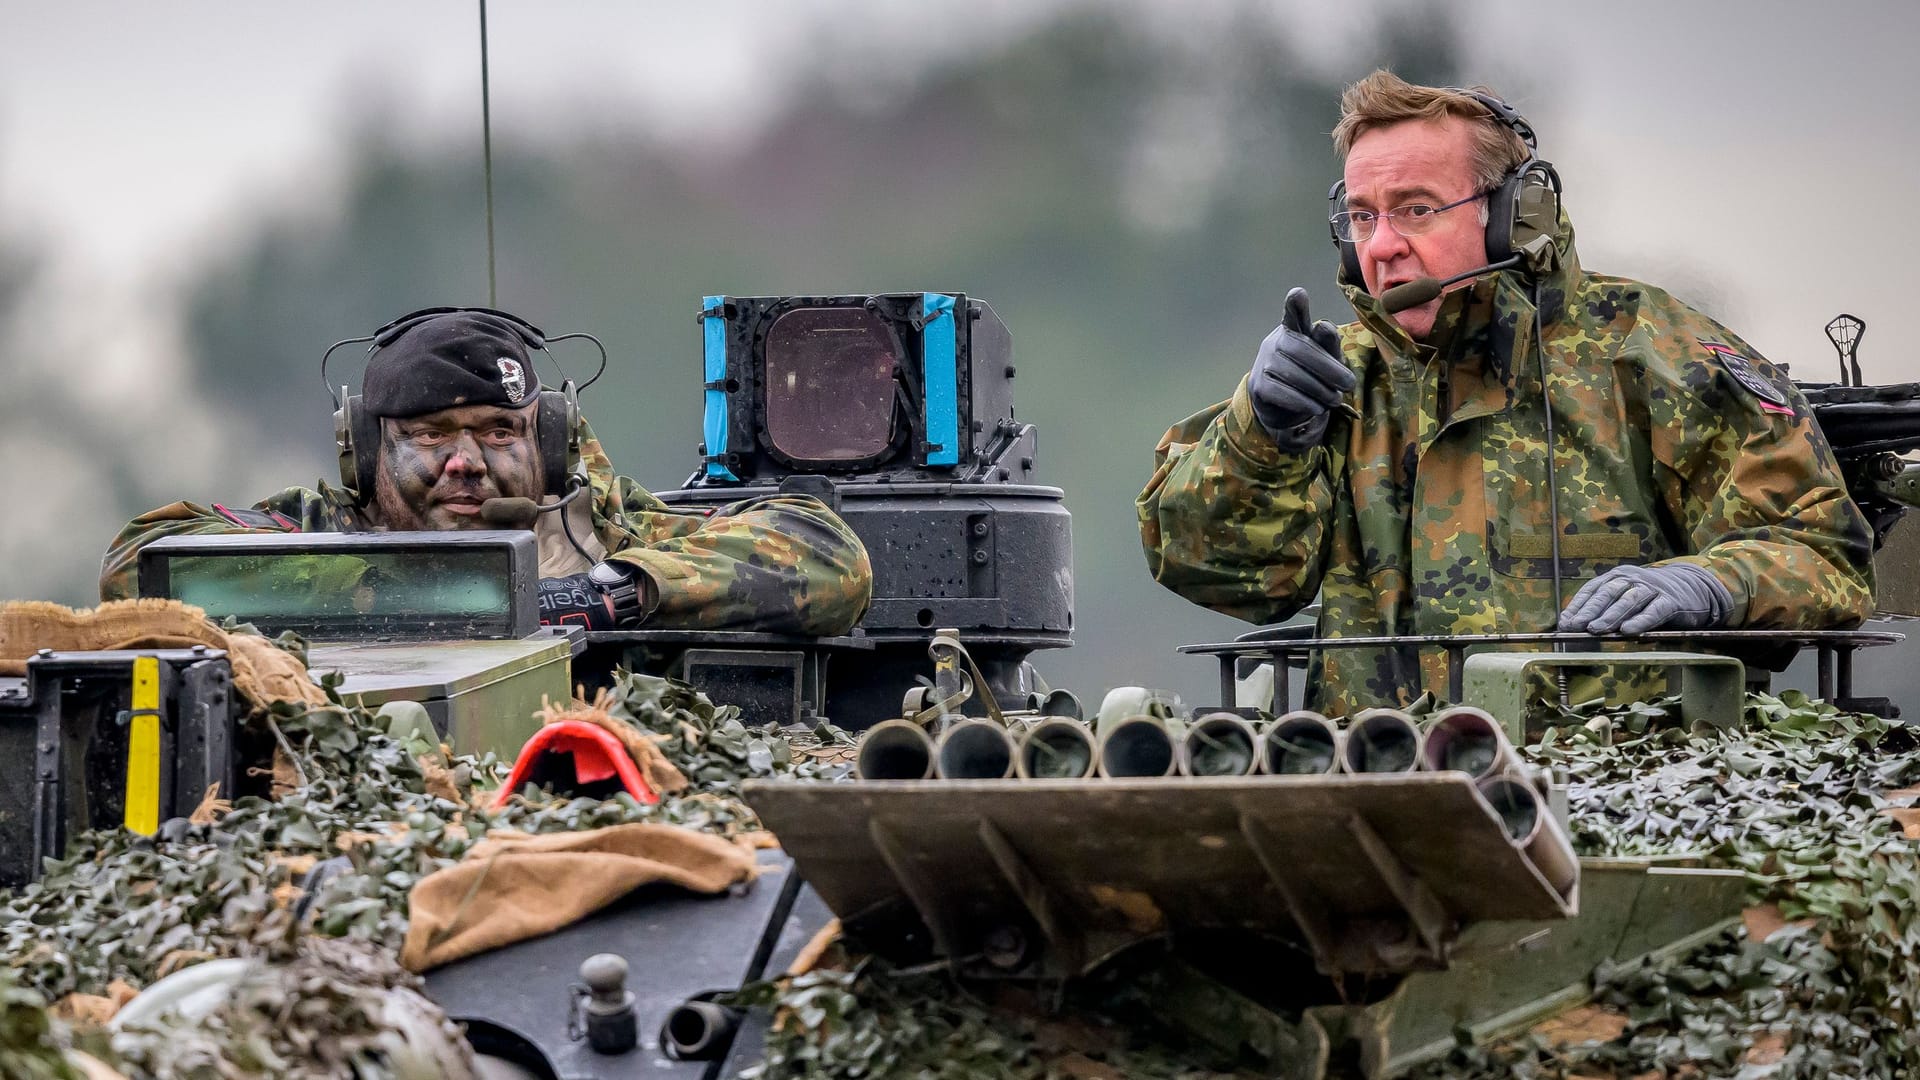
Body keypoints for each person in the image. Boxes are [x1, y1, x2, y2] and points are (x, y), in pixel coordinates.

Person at [1137, 71, 1874, 716]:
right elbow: (1219, 571)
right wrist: (1260, 435)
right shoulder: (1336, 380)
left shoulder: (1654, 357)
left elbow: (1826, 554)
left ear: (1512, 216)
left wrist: (1712, 584)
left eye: (1416, 208)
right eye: (1362, 216)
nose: (1383, 244)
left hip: (1625, 801)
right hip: (1387, 801)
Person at [100, 308, 873, 635]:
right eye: (431, 436)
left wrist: (606, 593)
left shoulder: (613, 531)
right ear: (366, 453)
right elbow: (138, 567)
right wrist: (391, 586)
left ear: (552, 442)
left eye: (499, 432)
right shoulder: (315, 530)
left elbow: (830, 558)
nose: (466, 463)